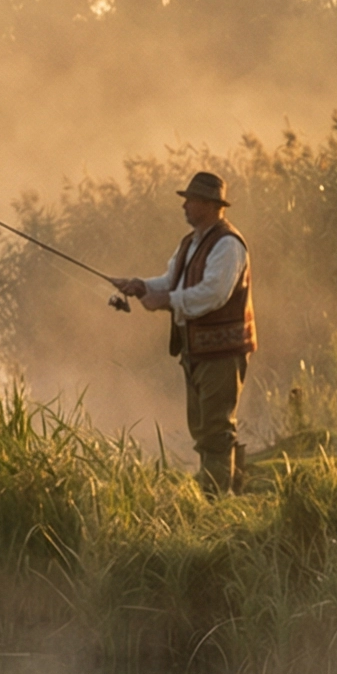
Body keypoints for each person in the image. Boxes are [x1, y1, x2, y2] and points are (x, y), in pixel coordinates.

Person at [113, 171, 253, 493]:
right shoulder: (191, 243)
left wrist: (166, 300)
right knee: (204, 427)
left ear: (209, 204)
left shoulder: (228, 244)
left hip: (222, 350)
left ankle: (217, 499)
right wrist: (142, 285)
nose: (185, 206)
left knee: (215, 429)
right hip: (197, 350)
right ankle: (231, 488)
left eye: (190, 200)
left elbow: (213, 294)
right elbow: (171, 279)